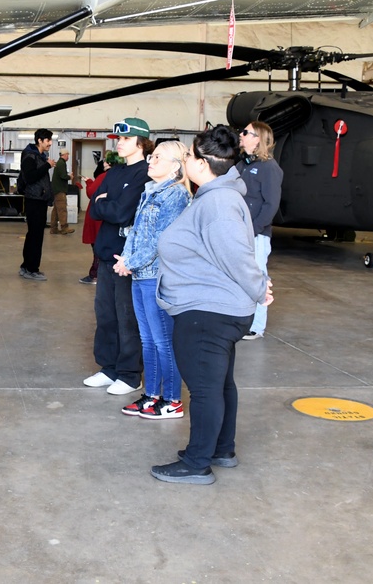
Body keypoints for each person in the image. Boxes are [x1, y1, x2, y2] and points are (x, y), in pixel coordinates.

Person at [151, 125, 273, 485]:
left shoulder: (218, 202)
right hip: (214, 306)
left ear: (203, 164)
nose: (186, 160)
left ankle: (197, 462)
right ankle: (221, 448)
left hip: (209, 311)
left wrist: (259, 288)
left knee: (205, 389)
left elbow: (237, 255)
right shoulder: (216, 194)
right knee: (219, 384)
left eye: (188, 156)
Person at [112, 140, 193, 420]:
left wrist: (130, 262)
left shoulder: (175, 196)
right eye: (153, 156)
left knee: (163, 342)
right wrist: (126, 259)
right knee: (148, 340)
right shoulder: (151, 191)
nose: (151, 161)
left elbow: (162, 240)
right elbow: (137, 233)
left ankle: (172, 400)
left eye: (158, 157)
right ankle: (152, 395)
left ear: (175, 167)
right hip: (140, 275)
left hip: (157, 277)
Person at [82, 118, 153, 396]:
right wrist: (106, 204)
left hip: (128, 259)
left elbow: (122, 213)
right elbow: (95, 206)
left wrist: (106, 205)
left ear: (141, 142)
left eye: (125, 139)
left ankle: (130, 374)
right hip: (106, 255)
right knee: (106, 316)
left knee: (127, 319)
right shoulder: (114, 173)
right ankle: (108, 368)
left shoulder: (145, 173)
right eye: (118, 139)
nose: (119, 143)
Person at [237, 121, 283, 340]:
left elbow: (271, 204)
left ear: (258, 138)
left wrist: (254, 229)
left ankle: (256, 325)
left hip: (256, 234)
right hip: (238, 232)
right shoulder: (242, 165)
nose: (241, 135)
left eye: (246, 132)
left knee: (258, 276)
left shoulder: (269, 168)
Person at [18, 128, 56, 281]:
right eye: (48, 140)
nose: (50, 143)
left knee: (34, 235)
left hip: (39, 200)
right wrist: (47, 166)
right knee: (35, 236)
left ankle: (26, 266)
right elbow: (30, 177)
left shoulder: (39, 156)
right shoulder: (30, 156)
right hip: (34, 200)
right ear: (40, 140)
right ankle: (32, 269)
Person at [77, 155, 113, 285]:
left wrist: (89, 182)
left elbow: (92, 192)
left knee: (97, 246)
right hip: (110, 216)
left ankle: (95, 275)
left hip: (98, 215)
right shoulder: (120, 176)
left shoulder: (104, 176)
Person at [50, 149, 75, 235]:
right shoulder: (62, 163)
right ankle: (64, 227)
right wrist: (70, 177)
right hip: (60, 190)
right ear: (64, 155)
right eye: (67, 155)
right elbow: (63, 176)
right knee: (62, 209)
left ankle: (53, 228)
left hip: (56, 189)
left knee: (56, 210)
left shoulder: (60, 163)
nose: (68, 156)